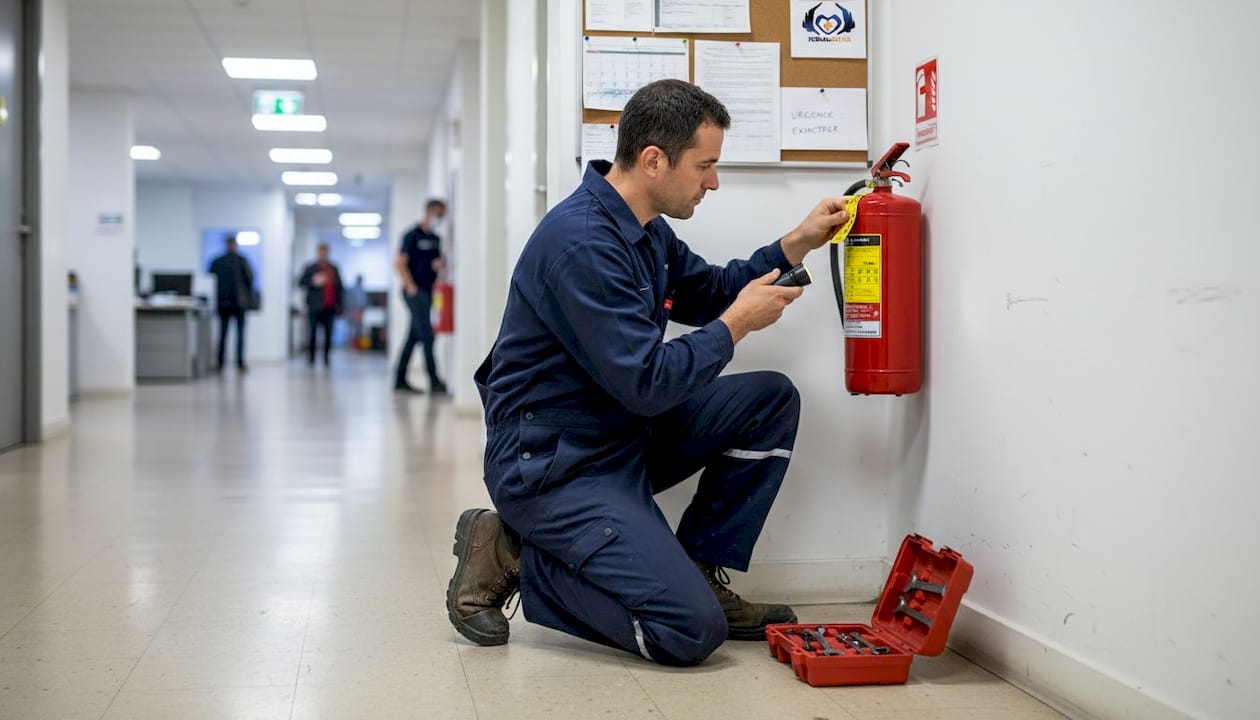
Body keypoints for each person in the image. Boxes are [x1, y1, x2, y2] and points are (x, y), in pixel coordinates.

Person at [445, 79, 849, 666]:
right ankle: (511, 550)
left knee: (769, 399)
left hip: (618, 434)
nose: (713, 181)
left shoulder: (644, 231)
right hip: (554, 465)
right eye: (705, 165)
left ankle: (697, 569)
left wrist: (796, 244)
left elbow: (708, 290)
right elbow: (648, 381)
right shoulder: (581, 243)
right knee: (688, 633)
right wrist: (736, 326)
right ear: (654, 160)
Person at [394, 199, 449, 394]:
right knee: (427, 335)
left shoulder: (436, 239)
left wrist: (438, 267)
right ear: (429, 212)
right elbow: (400, 262)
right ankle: (434, 381)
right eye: (439, 214)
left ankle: (399, 379)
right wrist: (410, 285)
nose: (440, 219)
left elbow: (436, 262)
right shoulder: (412, 235)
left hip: (428, 292)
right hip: (414, 291)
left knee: (413, 336)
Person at [207, 235, 255, 372]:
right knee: (225, 334)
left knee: (233, 334)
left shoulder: (219, 261)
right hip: (231, 303)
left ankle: (234, 362)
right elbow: (250, 280)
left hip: (233, 303)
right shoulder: (239, 261)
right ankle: (224, 363)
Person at [298, 243, 345, 367]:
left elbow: (340, 288)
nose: (323, 254)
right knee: (312, 333)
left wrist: (340, 307)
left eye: (325, 252)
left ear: (328, 253)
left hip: (329, 307)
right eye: (321, 252)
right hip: (314, 306)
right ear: (318, 253)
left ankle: (326, 358)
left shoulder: (334, 269)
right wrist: (313, 281)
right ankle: (311, 358)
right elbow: (301, 282)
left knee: (329, 334)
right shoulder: (311, 268)